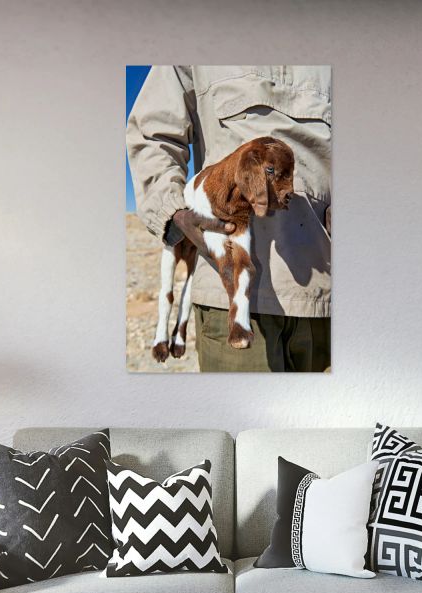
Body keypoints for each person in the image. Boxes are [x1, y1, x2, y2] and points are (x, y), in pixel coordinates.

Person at [126, 66, 332, 372]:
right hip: (226, 291)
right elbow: (151, 132)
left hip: (325, 294)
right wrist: (174, 212)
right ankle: (169, 333)